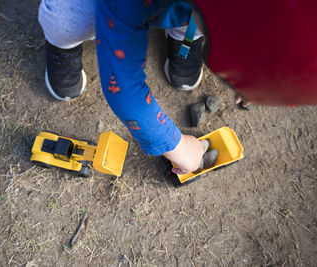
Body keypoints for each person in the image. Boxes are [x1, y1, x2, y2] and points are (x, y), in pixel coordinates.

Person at [38, 0, 317, 175]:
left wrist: (258, 80)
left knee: (192, 22)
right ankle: (62, 40)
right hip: (114, 5)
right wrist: (176, 145)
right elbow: (123, 89)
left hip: (193, 8)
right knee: (70, 19)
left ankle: (185, 37)